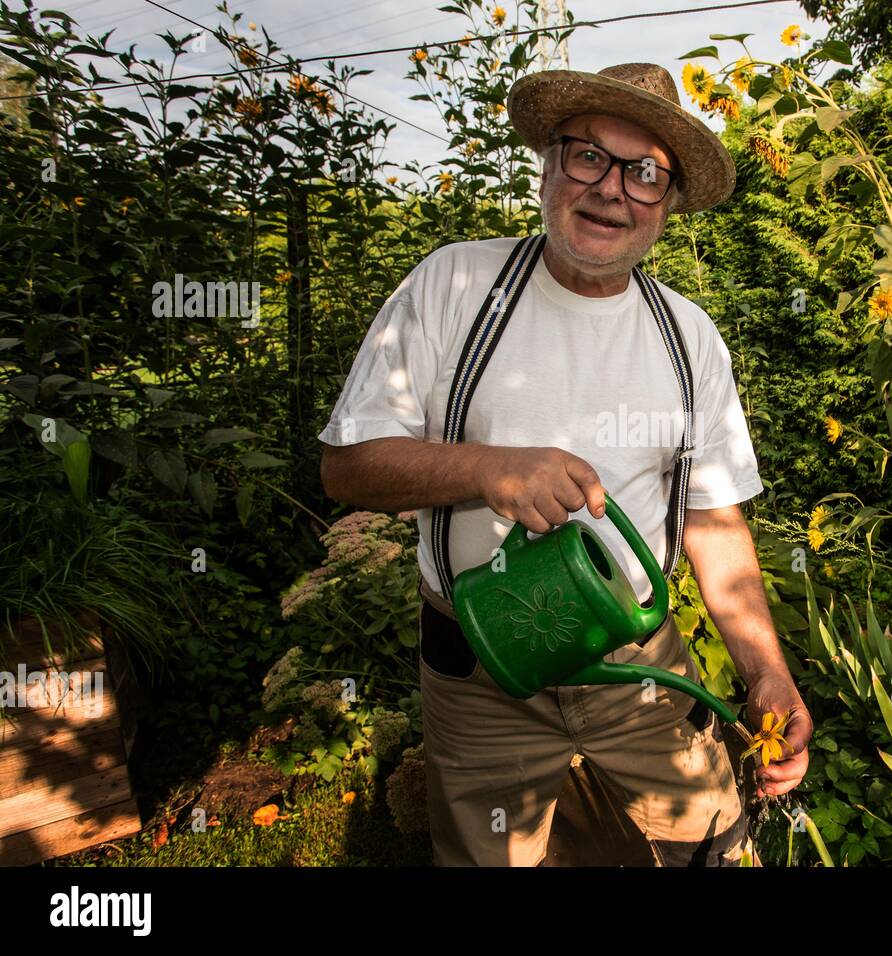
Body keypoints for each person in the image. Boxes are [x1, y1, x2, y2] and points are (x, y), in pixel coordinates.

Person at [318, 62, 811, 866]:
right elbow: (348, 468)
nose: (613, 189)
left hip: (639, 663)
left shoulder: (690, 340)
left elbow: (714, 520)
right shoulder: (453, 284)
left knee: (710, 841)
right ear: (549, 165)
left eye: (646, 173)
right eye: (590, 156)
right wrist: (487, 470)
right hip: (480, 667)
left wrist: (767, 671)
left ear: (669, 203)